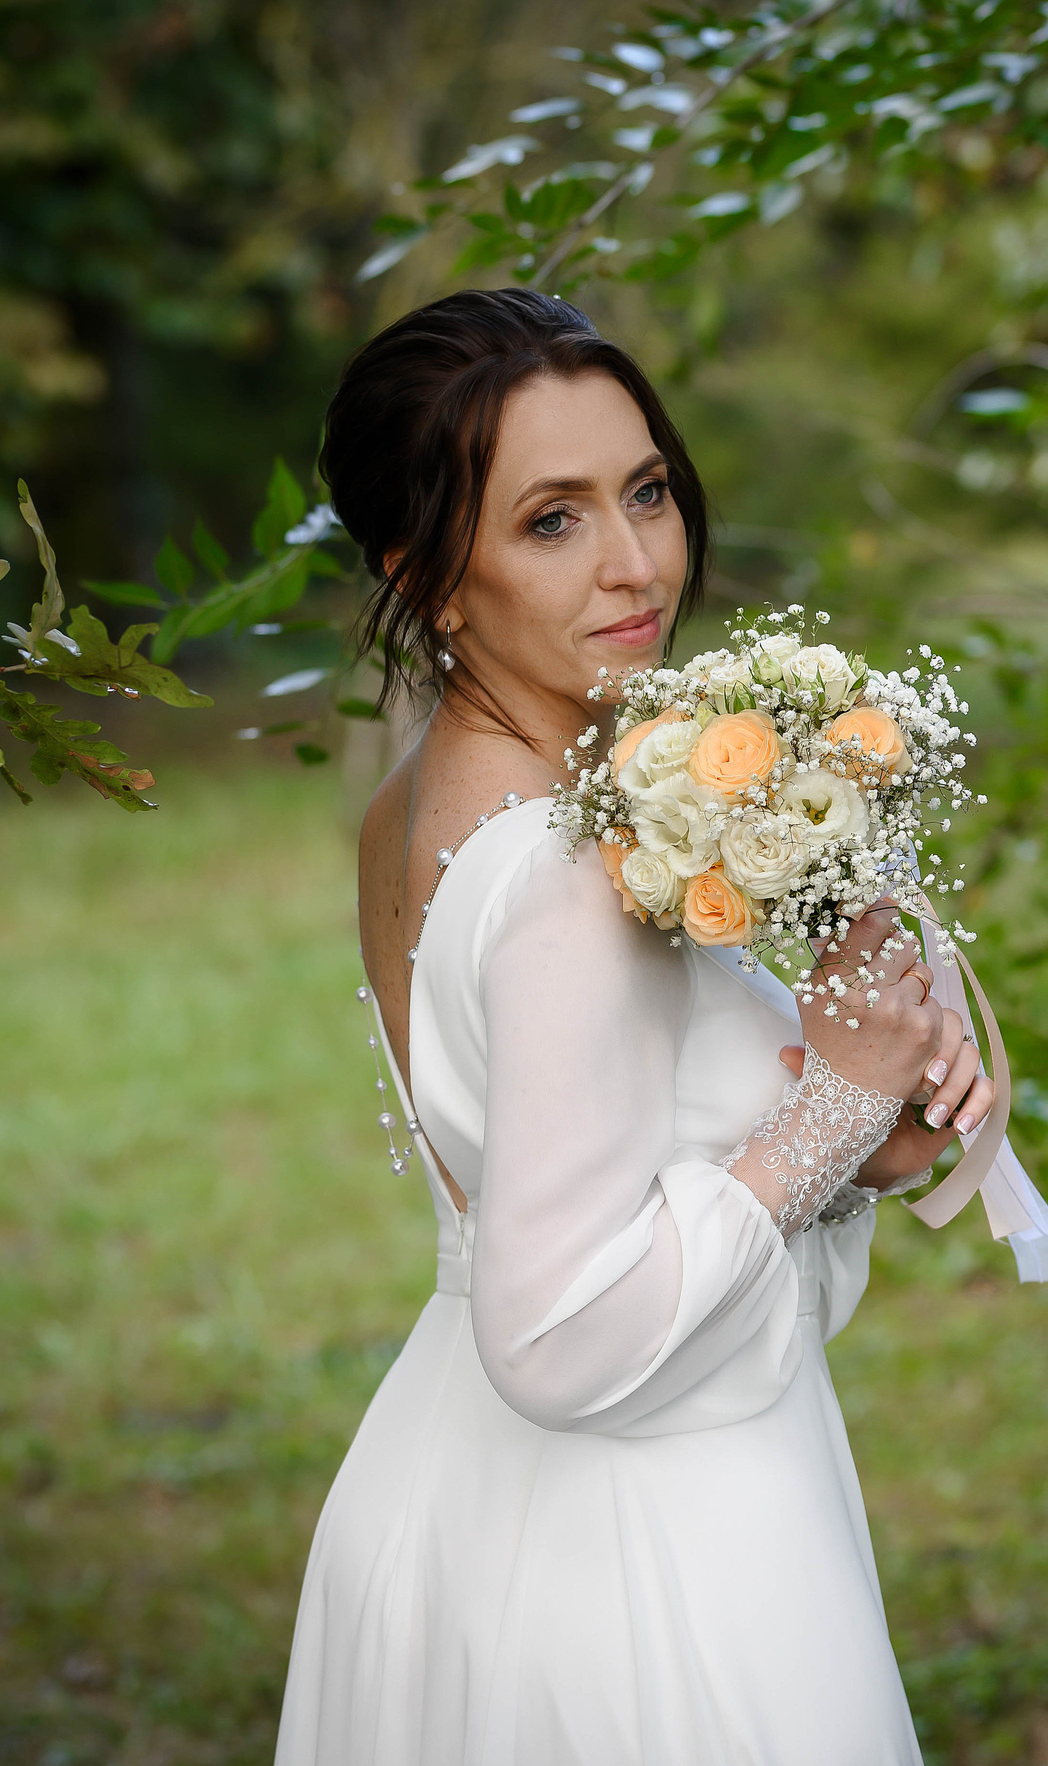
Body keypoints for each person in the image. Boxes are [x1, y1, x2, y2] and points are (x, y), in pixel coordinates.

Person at [273, 288, 991, 1764]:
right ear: (432, 579)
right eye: (552, 519)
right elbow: (553, 1333)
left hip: (458, 1494)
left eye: (646, 489)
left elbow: (552, 1161)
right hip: (642, 1555)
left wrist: (870, 1135)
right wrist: (833, 1101)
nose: (634, 561)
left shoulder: (414, 814)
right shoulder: (564, 877)